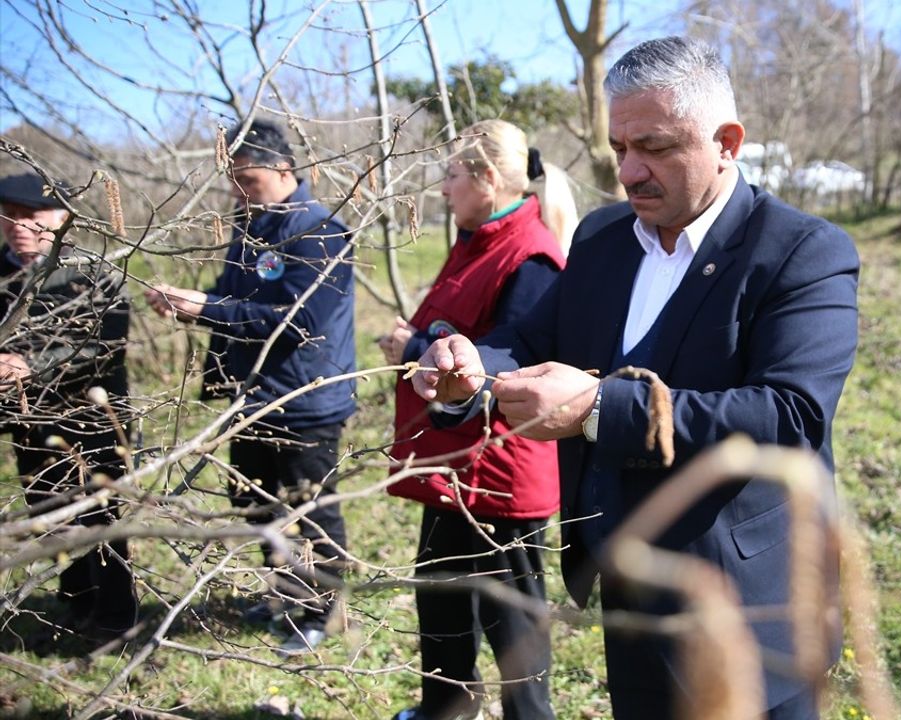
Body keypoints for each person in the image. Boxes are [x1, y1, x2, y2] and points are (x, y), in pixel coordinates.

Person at [412, 37, 860, 720]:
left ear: (727, 142)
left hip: (753, 605)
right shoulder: (602, 240)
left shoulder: (802, 251)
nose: (630, 170)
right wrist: (470, 368)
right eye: (620, 147)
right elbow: (526, 341)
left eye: (654, 147)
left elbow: (790, 414)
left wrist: (599, 407)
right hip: (629, 585)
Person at [381, 119, 575, 720]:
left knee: (511, 612)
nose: (442, 188)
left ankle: (530, 717)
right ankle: (446, 708)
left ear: (488, 179)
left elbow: (505, 366)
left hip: (499, 468)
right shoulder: (477, 241)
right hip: (452, 459)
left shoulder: (531, 258)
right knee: (438, 592)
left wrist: (414, 349)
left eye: (451, 175)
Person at [144, 119, 356, 656]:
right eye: (233, 179)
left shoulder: (319, 231)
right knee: (261, 505)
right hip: (254, 396)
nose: (240, 190)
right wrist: (193, 302)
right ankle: (284, 593)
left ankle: (321, 611)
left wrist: (210, 308)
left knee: (311, 509)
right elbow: (232, 293)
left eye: (249, 179)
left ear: (283, 169)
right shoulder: (252, 226)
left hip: (303, 399)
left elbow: (295, 319)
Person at [0, 171, 137, 640]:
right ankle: (75, 605)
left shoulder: (93, 271)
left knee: (99, 518)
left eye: (30, 216)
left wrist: (34, 365)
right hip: (28, 423)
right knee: (47, 514)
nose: (18, 225)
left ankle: (116, 619)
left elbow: (108, 344)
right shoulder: (2, 272)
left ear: (60, 219)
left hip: (93, 419)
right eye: (9, 216)